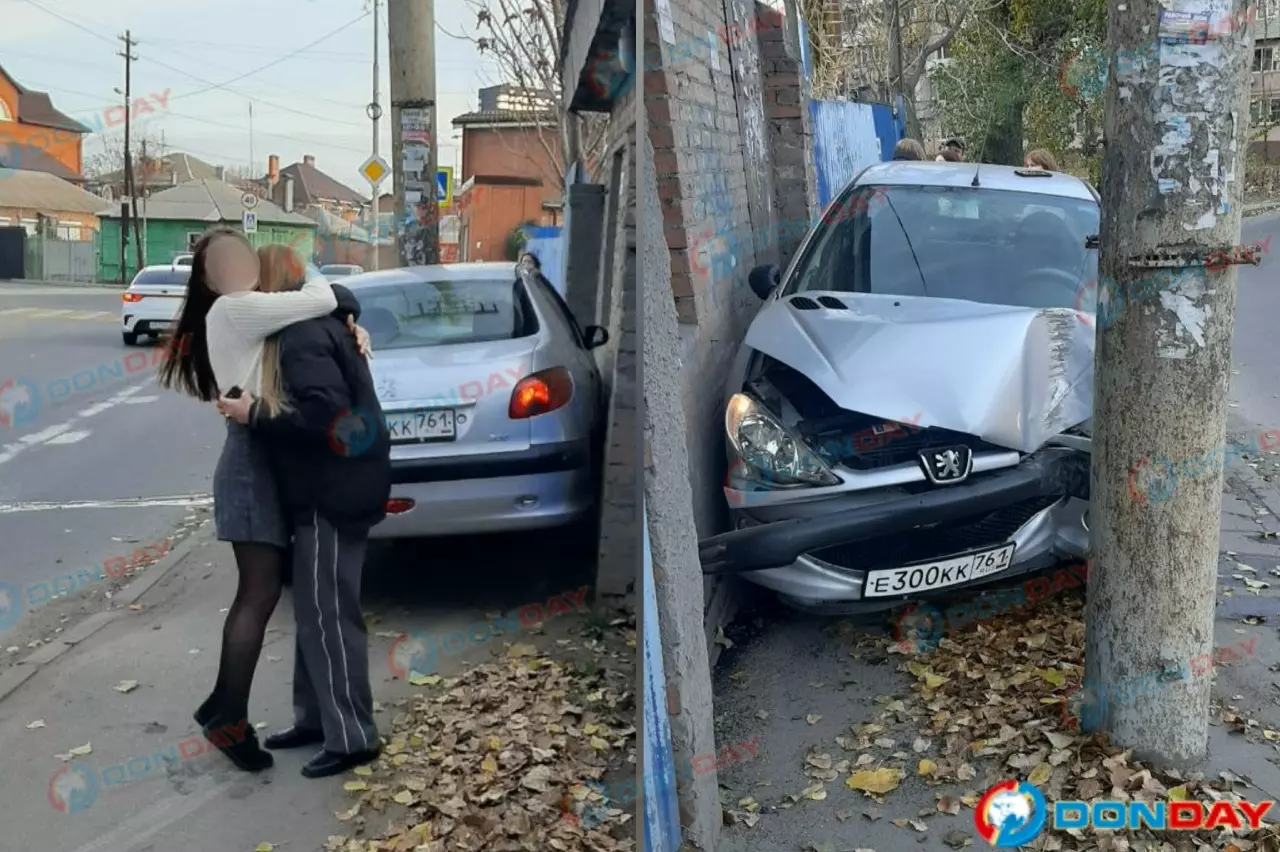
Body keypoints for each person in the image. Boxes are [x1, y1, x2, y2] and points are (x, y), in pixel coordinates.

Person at [157, 228, 367, 773]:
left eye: (239, 255)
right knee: (258, 593)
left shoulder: (253, 313)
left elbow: (318, 312)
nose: (232, 267)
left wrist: (351, 325)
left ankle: (224, 705)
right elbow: (321, 294)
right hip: (250, 463)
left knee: (263, 593)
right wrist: (337, 301)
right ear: (207, 280)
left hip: (262, 458)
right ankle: (227, 714)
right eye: (219, 262)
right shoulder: (233, 308)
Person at [218, 245, 391, 779]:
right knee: (316, 614)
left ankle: (352, 736)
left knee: (330, 615)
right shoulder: (316, 325)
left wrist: (256, 414)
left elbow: (327, 414)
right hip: (330, 488)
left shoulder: (300, 337)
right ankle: (317, 719)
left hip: (330, 493)